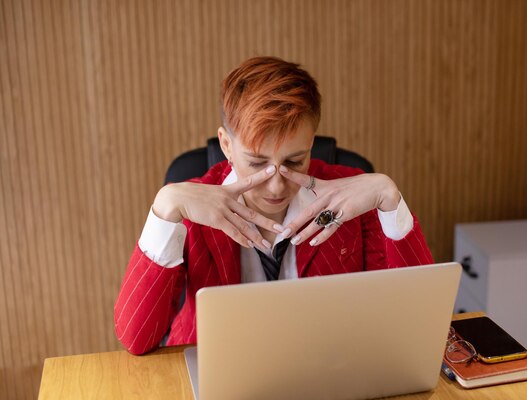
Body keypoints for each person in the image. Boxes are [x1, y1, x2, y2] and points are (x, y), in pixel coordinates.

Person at [114, 56, 433, 355]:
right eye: (257, 162)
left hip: (328, 370)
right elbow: (136, 337)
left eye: (294, 161)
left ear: (311, 144)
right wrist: (165, 205)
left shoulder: (350, 196)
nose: (277, 185)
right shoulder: (191, 208)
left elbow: (417, 323)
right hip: (217, 368)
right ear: (226, 144)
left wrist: (390, 198)